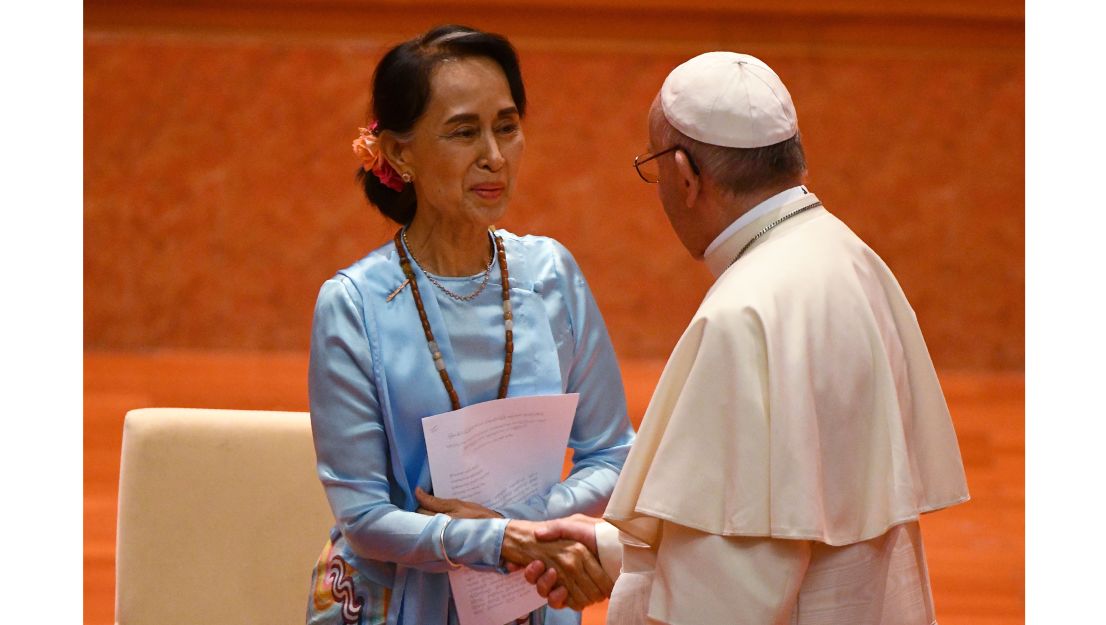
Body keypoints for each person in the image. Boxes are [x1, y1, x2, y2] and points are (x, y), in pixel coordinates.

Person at [514, 51, 970, 624]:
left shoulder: (743, 314)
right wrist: (613, 549)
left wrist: (617, 577)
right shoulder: (849, 255)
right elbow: (768, 528)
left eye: (653, 168)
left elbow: (727, 593)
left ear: (685, 174)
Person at [305, 25, 634, 625]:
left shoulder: (551, 275)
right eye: (464, 131)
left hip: (532, 593)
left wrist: (525, 524)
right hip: (395, 603)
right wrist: (499, 541)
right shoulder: (353, 304)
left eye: (506, 127)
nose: (495, 155)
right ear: (400, 154)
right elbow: (364, 518)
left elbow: (613, 454)